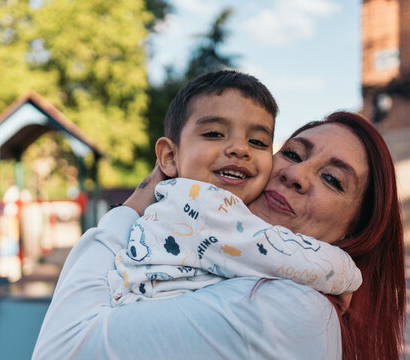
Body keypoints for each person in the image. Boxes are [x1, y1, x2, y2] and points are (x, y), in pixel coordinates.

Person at [32, 112, 405, 360]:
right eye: (291, 153)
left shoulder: (290, 309)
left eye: (332, 180)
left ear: (356, 231)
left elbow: (61, 349)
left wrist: (137, 201)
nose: (297, 174)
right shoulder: (225, 260)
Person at [107, 71, 361, 305]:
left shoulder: (175, 206)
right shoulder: (199, 205)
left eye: (257, 141)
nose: (240, 148)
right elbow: (281, 255)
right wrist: (347, 273)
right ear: (170, 158)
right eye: (215, 134)